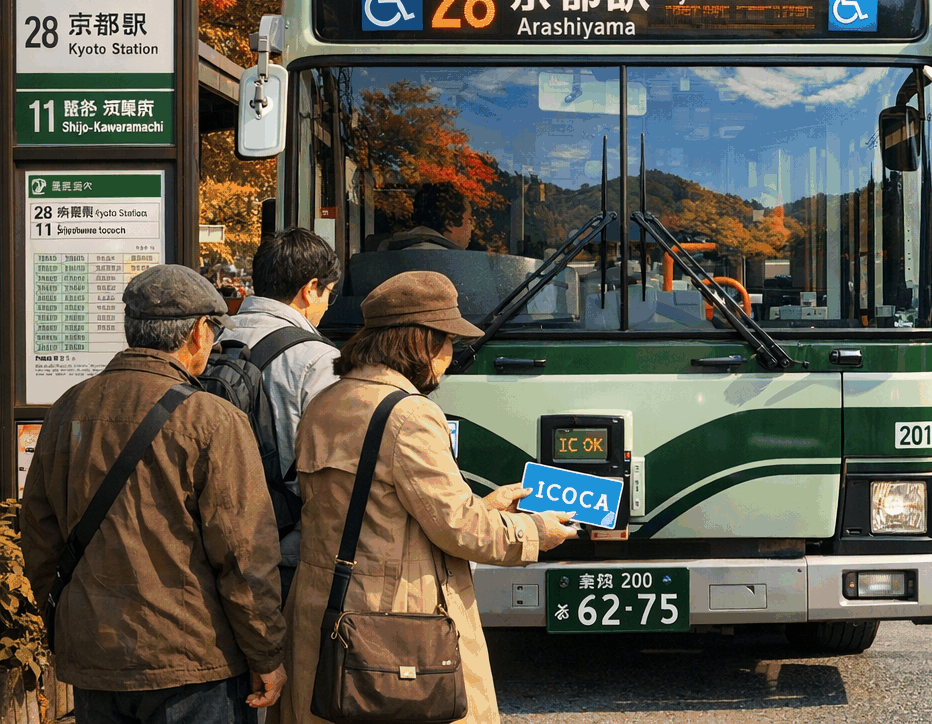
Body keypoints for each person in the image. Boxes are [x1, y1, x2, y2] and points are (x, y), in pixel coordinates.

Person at [277, 271, 578, 724]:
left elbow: (381, 507)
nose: (451, 357)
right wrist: (534, 531)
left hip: (325, 609)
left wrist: (486, 506)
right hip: (395, 623)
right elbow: (459, 529)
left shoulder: (327, 402)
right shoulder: (409, 413)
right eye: (449, 342)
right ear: (421, 343)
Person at [20, 264, 287, 724]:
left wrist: (68, 626)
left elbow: (40, 538)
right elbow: (244, 557)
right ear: (199, 332)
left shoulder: (68, 408)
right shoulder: (213, 420)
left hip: (96, 654)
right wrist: (266, 654)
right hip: (191, 659)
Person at [219, 227, 341, 600]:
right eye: (328, 296)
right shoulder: (317, 358)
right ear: (310, 288)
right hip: (286, 548)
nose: (324, 307)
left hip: (216, 535)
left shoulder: (212, 339)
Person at [382, 181, 475, 250]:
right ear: (449, 221)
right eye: (469, 220)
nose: (472, 228)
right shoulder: (448, 261)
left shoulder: (389, 248)